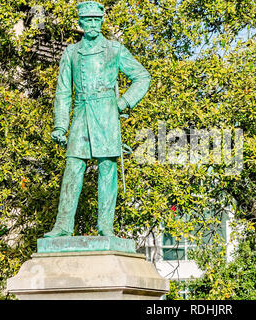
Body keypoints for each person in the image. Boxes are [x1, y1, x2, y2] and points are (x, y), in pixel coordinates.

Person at [44, 1, 150, 237]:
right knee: (73, 167)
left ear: (102, 21)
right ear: (80, 23)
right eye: (87, 20)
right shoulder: (71, 52)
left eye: (96, 20)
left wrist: (122, 103)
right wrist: (60, 126)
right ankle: (62, 225)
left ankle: (106, 226)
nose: (92, 24)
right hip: (81, 113)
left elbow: (142, 77)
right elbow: (63, 92)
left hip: (106, 116)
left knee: (107, 169)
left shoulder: (115, 49)